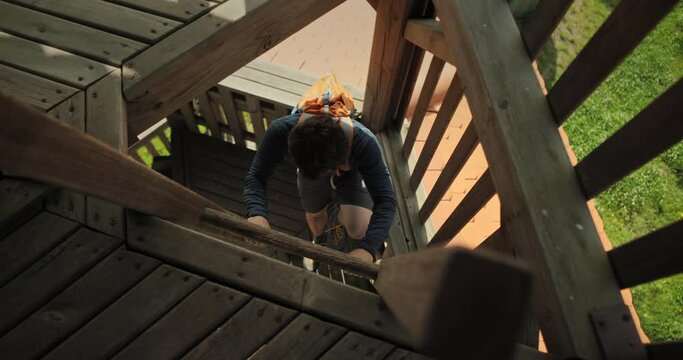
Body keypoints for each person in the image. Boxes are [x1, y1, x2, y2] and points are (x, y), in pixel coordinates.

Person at [243, 87, 396, 264]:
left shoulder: (364, 144)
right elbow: (256, 177)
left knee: (358, 229)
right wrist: (257, 214)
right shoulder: (280, 131)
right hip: (314, 165)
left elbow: (386, 200)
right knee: (315, 216)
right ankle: (319, 239)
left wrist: (367, 249)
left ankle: (337, 212)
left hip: (351, 170)